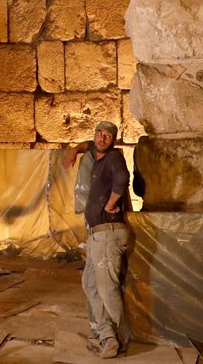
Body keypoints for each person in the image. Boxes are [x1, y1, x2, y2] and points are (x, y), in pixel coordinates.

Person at [63, 121, 132, 359]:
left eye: (108, 136)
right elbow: (88, 146)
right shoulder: (98, 157)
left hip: (108, 232)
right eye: (99, 134)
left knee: (107, 288)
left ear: (113, 140)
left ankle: (118, 339)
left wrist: (111, 204)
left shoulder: (113, 159)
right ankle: (106, 335)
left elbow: (123, 179)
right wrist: (74, 150)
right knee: (90, 284)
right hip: (96, 235)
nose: (103, 138)